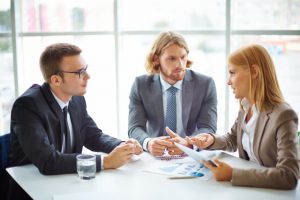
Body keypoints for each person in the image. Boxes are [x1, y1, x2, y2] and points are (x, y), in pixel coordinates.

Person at [8, 43, 143, 199]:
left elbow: (94, 136)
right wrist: (105, 162)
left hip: (67, 184)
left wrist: (124, 146)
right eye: (80, 72)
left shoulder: (77, 99)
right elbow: (48, 161)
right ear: (56, 79)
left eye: (86, 69)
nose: (88, 77)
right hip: (32, 190)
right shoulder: (28, 106)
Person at [185, 44, 299, 190]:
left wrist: (233, 174)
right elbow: (232, 140)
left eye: (232, 73)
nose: (228, 81)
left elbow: (288, 175)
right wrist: (211, 139)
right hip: (247, 190)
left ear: (254, 72)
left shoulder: (283, 115)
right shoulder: (246, 107)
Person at [128, 31, 217, 156]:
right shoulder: (141, 85)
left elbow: (208, 127)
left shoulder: (205, 84)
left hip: (191, 154)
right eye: (171, 58)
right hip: (155, 155)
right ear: (156, 59)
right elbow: (134, 127)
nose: (180, 65)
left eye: (183, 57)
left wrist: (189, 144)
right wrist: (148, 143)